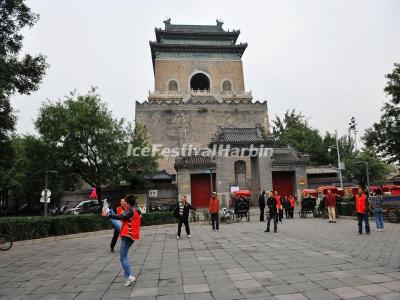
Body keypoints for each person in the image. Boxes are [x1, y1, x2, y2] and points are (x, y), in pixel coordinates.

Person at [102, 195, 141, 286]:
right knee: (124, 257)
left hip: (128, 235)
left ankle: (130, 276)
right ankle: (128, 277)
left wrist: (108, 215)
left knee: (123, 258)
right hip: (129, 234)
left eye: (125, 202)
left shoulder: (130, 211)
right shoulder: (135, 209)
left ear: (128, 203)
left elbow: (120, 216)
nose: (124, 204)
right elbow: (122, 216)